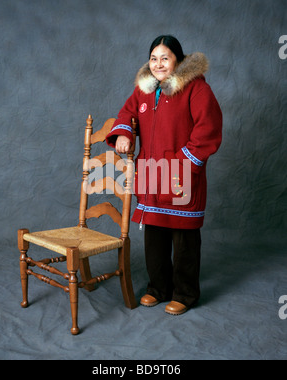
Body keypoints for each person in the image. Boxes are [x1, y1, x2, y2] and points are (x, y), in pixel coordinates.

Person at [106, 35, 222, 315]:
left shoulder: (196, 88)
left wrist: (184, 164)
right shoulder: (143, 90)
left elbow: (209, 128)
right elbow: (126, 114)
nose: (158, 64)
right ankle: (158, 288)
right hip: (150, 173)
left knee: (184, 238)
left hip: (181, 174)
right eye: (153, 58)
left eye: (165, 58)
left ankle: (185, 293)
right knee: (154, 235)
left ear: (178, 61)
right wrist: (122, 133)